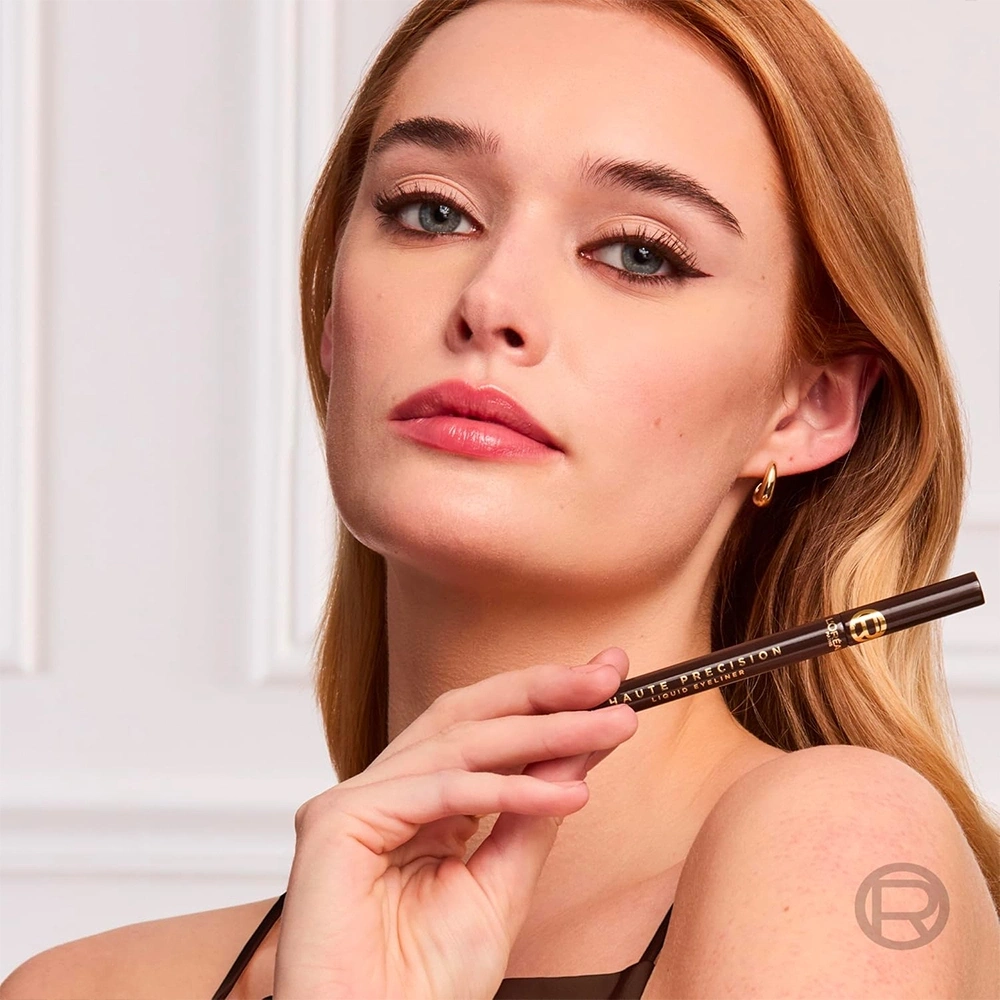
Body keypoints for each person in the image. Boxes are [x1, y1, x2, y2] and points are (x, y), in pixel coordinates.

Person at [3, 1, 998, 998]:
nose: (490, 301)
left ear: (809, 407)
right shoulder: (79, 987)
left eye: (637, 253)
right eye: (431, 212)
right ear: (332, 313)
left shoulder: (847, 854)